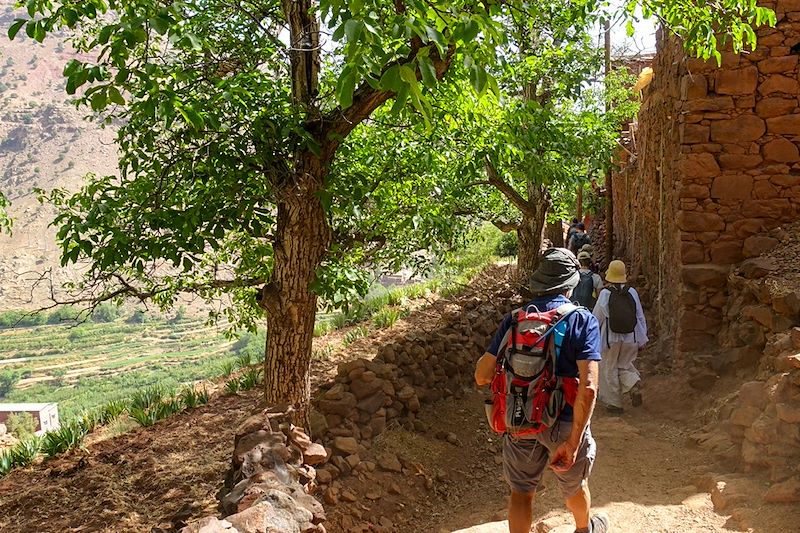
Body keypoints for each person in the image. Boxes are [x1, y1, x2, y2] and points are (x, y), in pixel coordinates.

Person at [475, 248, 609, 533]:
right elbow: (589, 387)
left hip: (520, 416)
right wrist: (573, 443)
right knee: (574, 486)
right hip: (564, 422)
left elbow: (481, 376)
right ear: (570, 284)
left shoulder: (514, 321)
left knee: (521, 492)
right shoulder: (582, 321)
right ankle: (585, 529)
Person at [591, 260, 647, 414]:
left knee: (609, 367)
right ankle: (633, 385)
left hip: (611, 338)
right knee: (625, 365)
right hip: (631, 336)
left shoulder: (605, 294)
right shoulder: (632, 292)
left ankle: (614, 403)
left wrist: (591, 339)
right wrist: (642, 339)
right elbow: (639, 317)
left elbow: (597, 318)